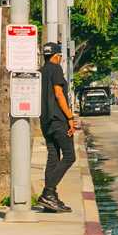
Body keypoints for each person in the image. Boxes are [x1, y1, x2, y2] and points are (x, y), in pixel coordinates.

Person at [39, 42, 77, 213]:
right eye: (60, 56)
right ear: (57, 56)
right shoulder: (55, 69)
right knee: (69, 156)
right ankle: (48, 192)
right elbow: (58, 93)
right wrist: (70, 117)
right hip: (58, 119)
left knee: (53, 157)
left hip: (46, 121)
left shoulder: (41, 72)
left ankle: (50, 199)